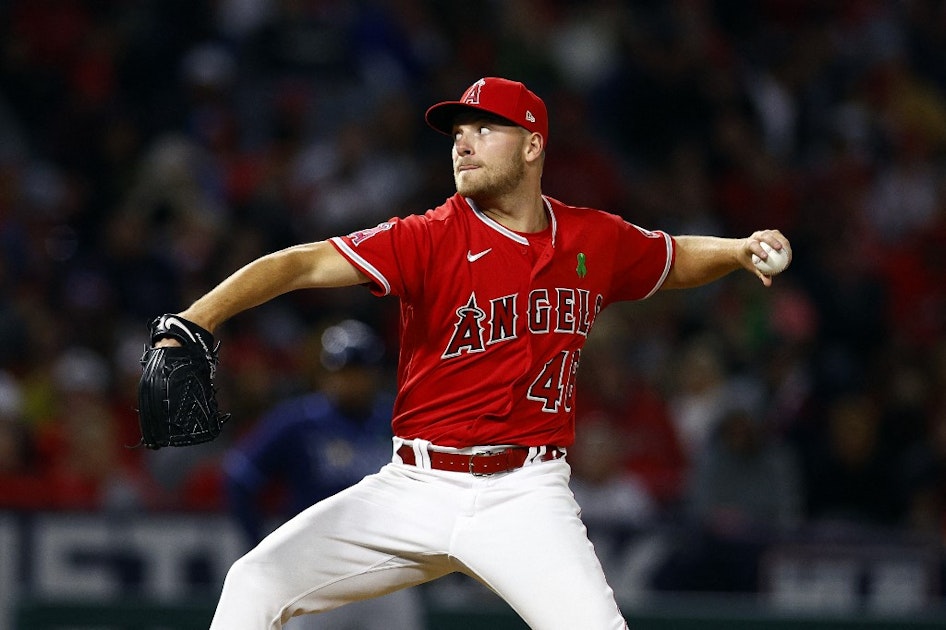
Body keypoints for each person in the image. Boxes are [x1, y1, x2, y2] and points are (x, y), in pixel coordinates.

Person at [151, 77, 792, 629]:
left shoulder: (593, 238)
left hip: (526, 494)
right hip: (414, 486)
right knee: (254, 583)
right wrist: (196, 318)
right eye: (459, 130)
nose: (463, 141)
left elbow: (673, 258)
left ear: (534, 145)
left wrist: (736, 250)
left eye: (486, 129)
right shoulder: (429, 237)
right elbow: (303, 263)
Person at [221, 318, 425, 629]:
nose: (350, 380)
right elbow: (240, 477)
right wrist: (260, 545)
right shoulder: (297, 421)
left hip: (387, 572)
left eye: (359, 371)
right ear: (325, 374)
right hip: (316, 572)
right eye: (342, 371)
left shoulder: (399, 420)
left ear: (374, 374)